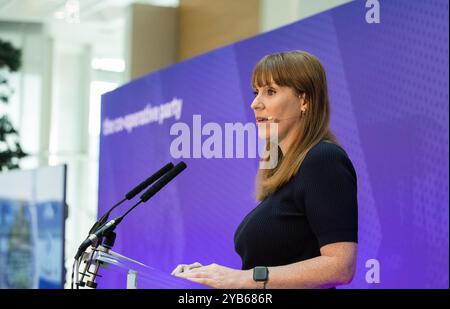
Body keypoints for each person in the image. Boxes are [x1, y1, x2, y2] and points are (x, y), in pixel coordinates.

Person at [171, 50, 358, 289]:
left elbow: (340, 266)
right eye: (255, 92)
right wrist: (210, 277)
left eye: (270, 92)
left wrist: (240, 279)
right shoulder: (285, 169)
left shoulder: (324, 159)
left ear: (304, 101)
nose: (255, 103)